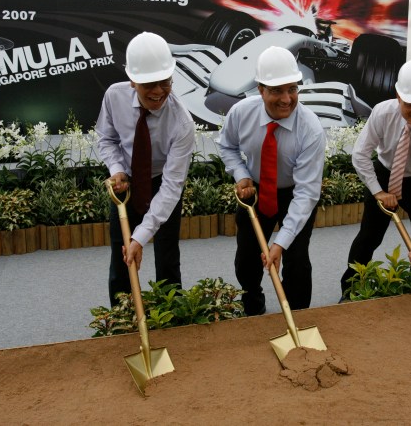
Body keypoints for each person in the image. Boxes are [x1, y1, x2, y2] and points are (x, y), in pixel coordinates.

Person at [218, 46, 326, 316]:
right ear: (260, 89)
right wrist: (241, 175)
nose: (287, 99)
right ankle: (254, 308)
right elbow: (227, 146)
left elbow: (307, 194)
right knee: (247, 259)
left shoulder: (311, 129)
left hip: (295, 194)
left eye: (292, 89)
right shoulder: (241, 113)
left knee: (297, 258)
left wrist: (280, 243)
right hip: (255, 191)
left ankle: (298, 315)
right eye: (277, 90)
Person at [96, 31, 195, 306]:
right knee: (121, 254)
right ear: (132, 81)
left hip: (163, 183)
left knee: (167, 255)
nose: (158, 91)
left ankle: (173, 318)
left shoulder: (182, 123)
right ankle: (120, 320)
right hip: (125, 183)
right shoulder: (114, 97)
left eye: (165, 82)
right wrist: (116, 168)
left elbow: (172, 186)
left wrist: (141, 237)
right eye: (149, 83)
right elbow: (106, 138)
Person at [341, 58, 411, 296]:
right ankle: (350, 290)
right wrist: (378, 191)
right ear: (399, 96)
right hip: (383, 174)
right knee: (368, 238)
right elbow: (360, 155)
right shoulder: (382, 113)